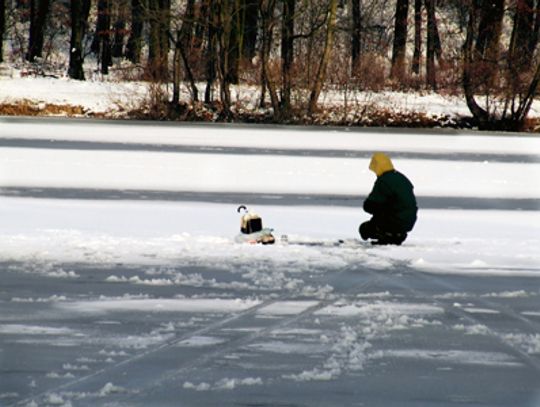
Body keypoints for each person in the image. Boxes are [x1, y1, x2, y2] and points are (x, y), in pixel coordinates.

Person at [359, 152, 417, 245]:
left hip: (394, 222)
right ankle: (395, 235)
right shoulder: (401, 178)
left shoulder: (384, 181)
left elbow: (370, 206)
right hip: (408, 222)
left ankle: (387, 234)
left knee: (364, 229)